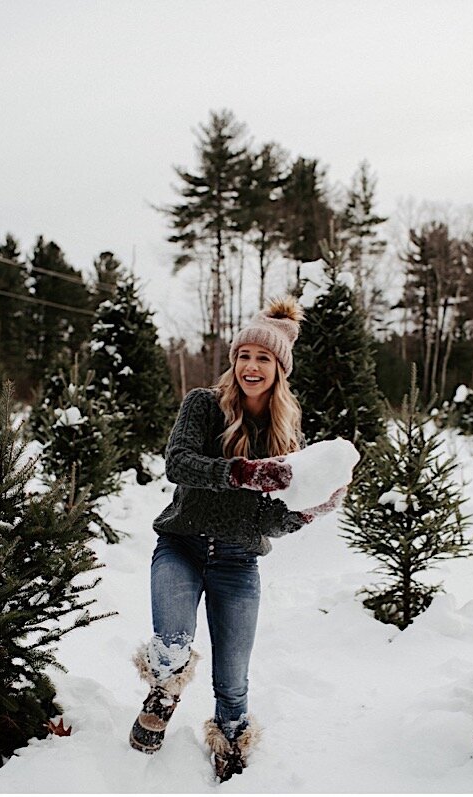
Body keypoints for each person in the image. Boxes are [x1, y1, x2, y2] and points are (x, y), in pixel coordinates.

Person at [128, 297, 346, 782]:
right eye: (244, 355)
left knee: (232, 679)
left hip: (237, 563)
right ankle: (162, 697)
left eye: (263, 358)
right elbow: (179, 463)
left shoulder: (286, 435)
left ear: (278, 369)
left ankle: (230, 740)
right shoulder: (203, 405)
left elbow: (269, 519)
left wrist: (310, 512)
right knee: (172, 643)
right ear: (234, 360)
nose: (251, 366)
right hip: (180, 547)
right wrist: (244, 472)